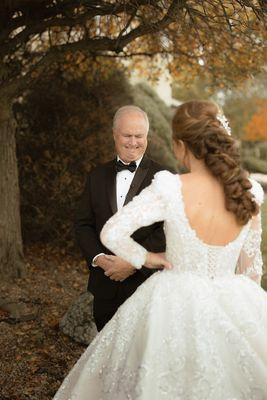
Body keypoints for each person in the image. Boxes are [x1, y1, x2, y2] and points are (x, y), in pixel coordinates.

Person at [54, 100, 267, 400]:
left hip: (171, 303)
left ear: (179, 145)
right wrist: (245, 312)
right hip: (237, 303)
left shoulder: (170, 187)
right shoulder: (251, 191)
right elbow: (251, 270)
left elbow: (112, 231)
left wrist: (148, 258)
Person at [75, 105, 171, 331]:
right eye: (127, 135)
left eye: (139, 136)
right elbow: (83, 225)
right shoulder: (96, 176)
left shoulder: (165, 178)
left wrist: (134, 261)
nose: (133, 142)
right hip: (104, 285)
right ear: (114, 135)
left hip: (147, 284)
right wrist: (98, 258)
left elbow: (169, 228)